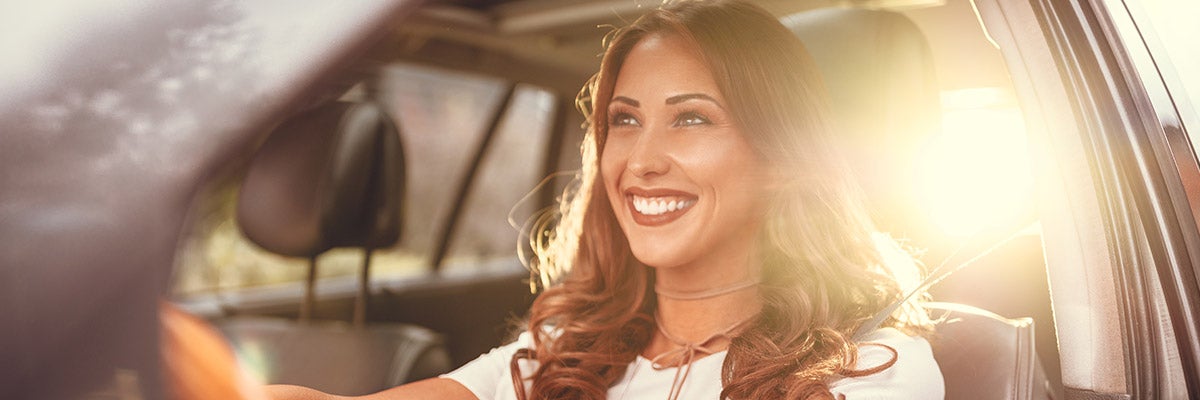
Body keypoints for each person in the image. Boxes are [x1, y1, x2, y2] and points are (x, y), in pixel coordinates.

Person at [267, 0, 943, 398]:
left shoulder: (871, 370)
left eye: (692, 118)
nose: (641, 162)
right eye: (624, 120)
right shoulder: (563, 353)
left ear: (779, 159)